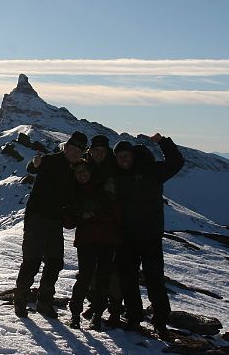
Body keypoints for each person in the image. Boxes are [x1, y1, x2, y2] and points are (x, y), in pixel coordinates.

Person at [112, 134, 185, 338]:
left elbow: (177, 162)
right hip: (126, 237)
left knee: (154, 279)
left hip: (150, 236)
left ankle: (160, 322)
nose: (123, 160)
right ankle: (134, 317)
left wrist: (163, 142)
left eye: (126, 156)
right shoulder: (117, 175)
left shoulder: (151, 171)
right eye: (119, 157)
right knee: (128, 279)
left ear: (133, 156)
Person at [14, 130, 86, 318]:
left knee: (55, 262)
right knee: (32, 261)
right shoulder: (52, 160)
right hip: (37, 218)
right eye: (73, 148)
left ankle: (44, 302)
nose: (75, 153)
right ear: (67, 147)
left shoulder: (76, 169)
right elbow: (33, 167)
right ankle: (20, 298)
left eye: (79, 151)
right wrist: (35, 163)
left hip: (55, 221)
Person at [64, 155, 121, 329]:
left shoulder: (103, 188)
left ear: (90, 172)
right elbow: (68, 223)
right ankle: (75, 313)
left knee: (102, 276)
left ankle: (97, 313)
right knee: (85, 276)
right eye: (78, 173)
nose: (81, 175)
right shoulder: (74, 193)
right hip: (86, 240)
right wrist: (78, 215)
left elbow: (114, 212)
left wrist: (93, 214)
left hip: (106, 239)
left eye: (84, 171)